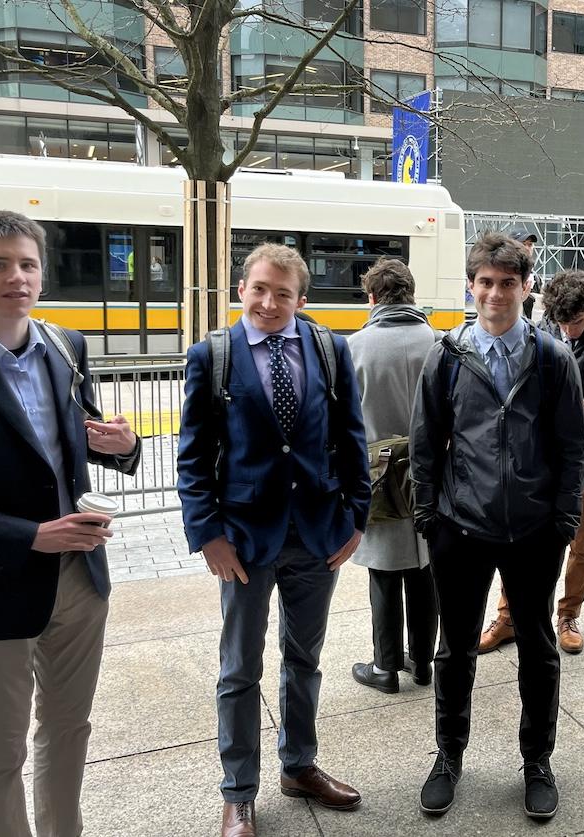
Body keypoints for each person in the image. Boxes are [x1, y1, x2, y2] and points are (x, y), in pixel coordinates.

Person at [0, 210, 141, 837]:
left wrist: (121, 447)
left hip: (80, 579)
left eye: (28, 264)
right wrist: (31, 536)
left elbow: (80, 445)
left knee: (69, 731)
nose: (17, 277)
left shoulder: (67, 347)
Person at [176, 243, 371, 837]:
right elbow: (193, 457)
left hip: (317, 537)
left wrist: (356, 517)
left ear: (300, 300)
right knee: (240, 668)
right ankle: (238, 792)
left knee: (304, 661)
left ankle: (299, 764)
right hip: (243, 540)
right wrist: (207, 533)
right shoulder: (213, 356)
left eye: (283, 293)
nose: (269, 301)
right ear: (242, 289)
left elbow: (353, 438)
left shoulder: (330, 349)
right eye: (259, 289)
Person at [409, 232, 584, 821]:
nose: (495, 293)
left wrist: (564, 518)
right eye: (485, 282)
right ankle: (448, 756)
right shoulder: (448, 354)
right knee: (455, 647)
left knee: (537, 648)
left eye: (507, 283)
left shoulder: (551, 356)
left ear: (526, 287)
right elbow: (425, 442)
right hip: (461, 529)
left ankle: (537, 761)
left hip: (534, 530)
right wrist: (429, 514)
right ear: (471, 286)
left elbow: (572, 445)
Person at [478, 269, 584, 655]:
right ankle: (509, 616)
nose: (569, 331)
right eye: (562, 322)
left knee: (580, 541)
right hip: (538, 455)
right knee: (521, 537)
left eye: (577, 322)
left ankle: (568, 615)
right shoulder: (542, 332)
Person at [346, 258, 439, 694]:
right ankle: (423, 663)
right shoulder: (438, 342)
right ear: (412, 294)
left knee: (383, 572)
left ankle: (385, 666)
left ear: (372, 298)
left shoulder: (355, 347)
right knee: (425, 568)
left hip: (376, 475)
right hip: (430, 474)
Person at [514, 229, 541, 320]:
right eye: (523, 244)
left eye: (530, 244)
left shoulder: (535, 277)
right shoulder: (504, 273)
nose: (527, 248)